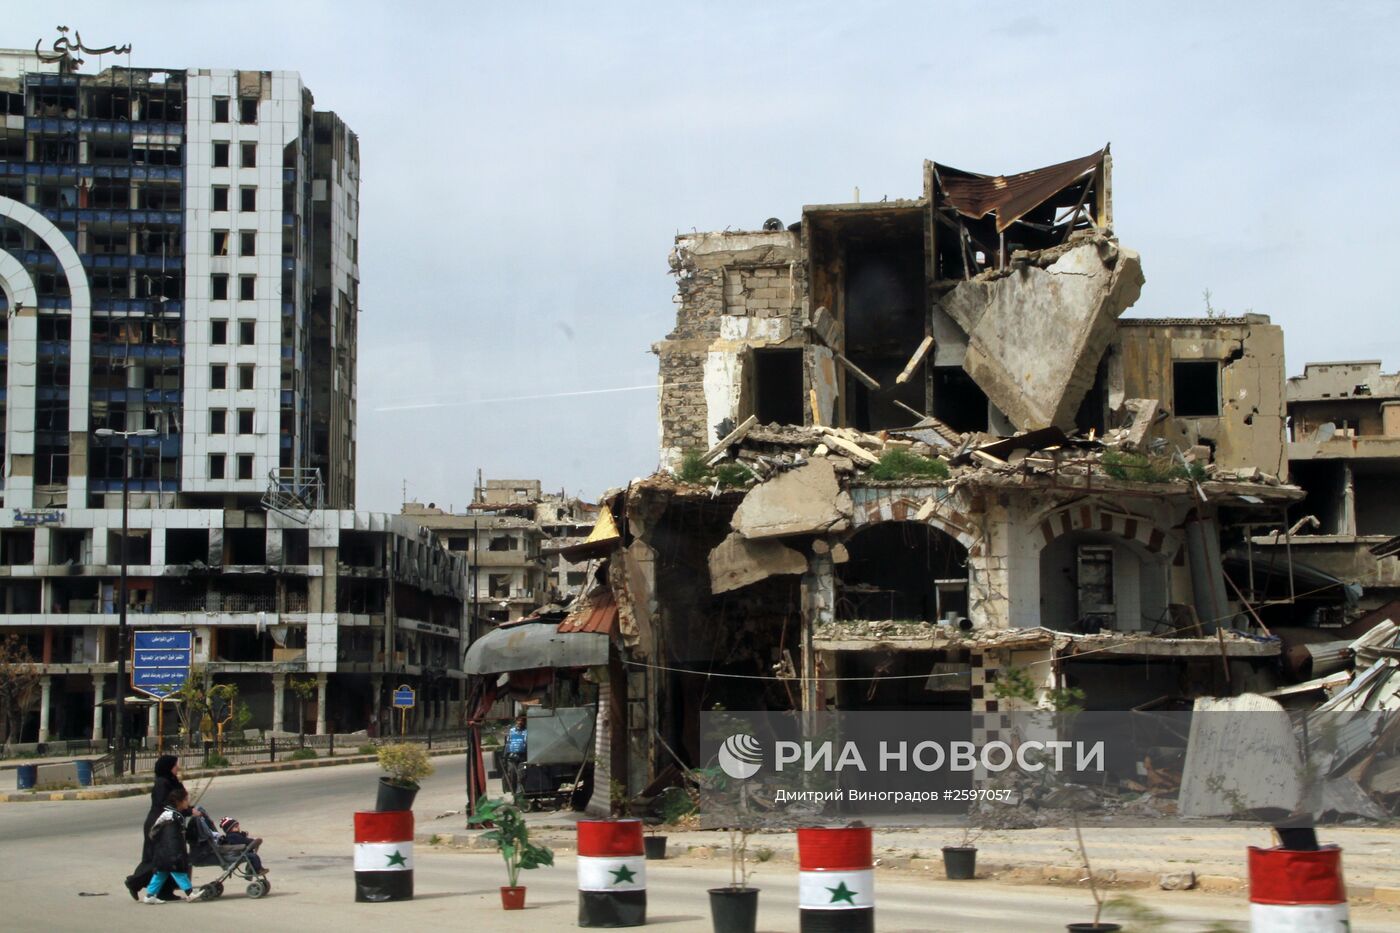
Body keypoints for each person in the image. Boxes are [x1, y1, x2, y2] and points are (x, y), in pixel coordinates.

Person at [125, 755, 187, 901]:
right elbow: (164, 804)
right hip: (158, 824)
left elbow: (180, 799)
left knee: (172, 858)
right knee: (158, 858)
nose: (177, 767)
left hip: (170, 823)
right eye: (175, 765)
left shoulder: (172, 781)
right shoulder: (162, 783)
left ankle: (165, 891)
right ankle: (134, 882)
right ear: (168, 767)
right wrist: (187, 810)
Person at [143, 789, 208, 904]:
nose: (187, 802)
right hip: (170, 852)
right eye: (186, 800)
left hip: (162, 851)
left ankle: (149, 895)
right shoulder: (171, 818)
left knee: (161, 874)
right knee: (179, 872)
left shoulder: (171, 814)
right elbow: (171, 838)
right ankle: (190, 893)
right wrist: (175, 854)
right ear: (179, 802)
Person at [503, 715, 527, 797]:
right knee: (512, 775)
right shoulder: (511, 731)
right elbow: (507, 744)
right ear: (516, 721)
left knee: (521, 776)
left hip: (522, 757)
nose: (520, 722)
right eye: (518, 720)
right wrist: (505, 756)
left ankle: (520, 794)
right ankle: (514, 795)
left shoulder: (526, 731)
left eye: (522, 721)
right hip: (512, 757)